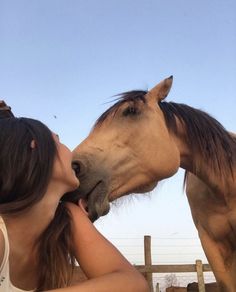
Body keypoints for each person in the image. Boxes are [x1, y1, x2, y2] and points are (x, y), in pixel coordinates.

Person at [0, 117, 149, 292]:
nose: (71, 152)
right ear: (36, 146)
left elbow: (133, 284)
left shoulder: (67, 219)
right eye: (58, 140)